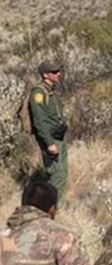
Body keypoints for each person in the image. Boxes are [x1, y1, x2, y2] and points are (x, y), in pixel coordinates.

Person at [29, 61, 69, 200]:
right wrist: (49, 142)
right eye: (54, 72)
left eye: (58, 71)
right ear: (45, 74)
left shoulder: (51, 90)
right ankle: (52, 207)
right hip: (51, 139)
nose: (58, 74)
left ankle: (57, 204)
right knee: (57, 175)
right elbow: (39, 120)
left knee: (63, 172)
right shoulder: (38, 93)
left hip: (59, 137)